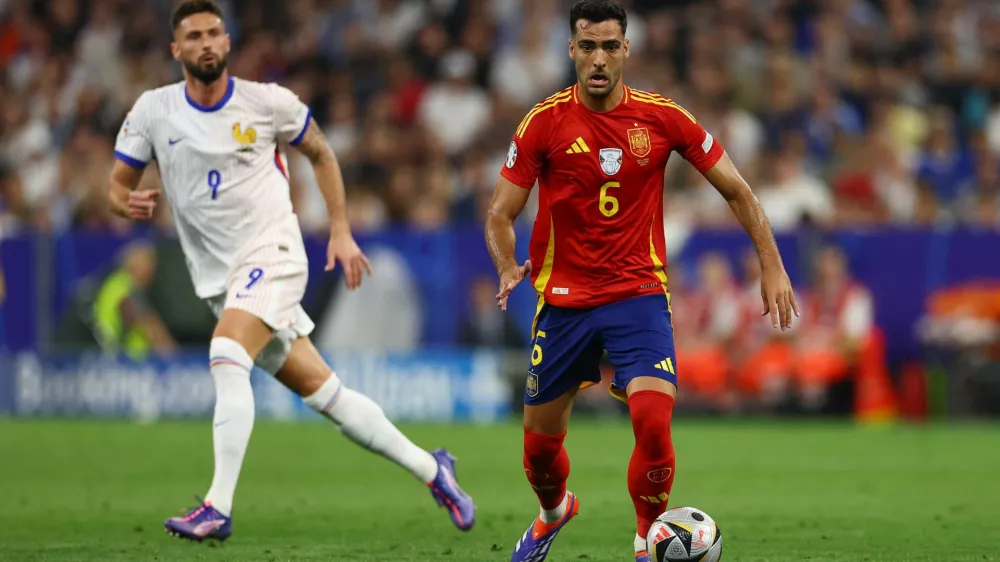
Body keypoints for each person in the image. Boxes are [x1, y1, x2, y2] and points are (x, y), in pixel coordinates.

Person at [108, 0, 474, 542]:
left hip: (273, 254)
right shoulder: (153, 111)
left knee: (226, 354)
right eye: (194, 36)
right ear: (176, 48)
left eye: (213, 33)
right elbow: (116, 186)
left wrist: (341, 229)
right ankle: (433, 468)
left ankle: (217, 507)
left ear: (227, 42)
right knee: (328, 396)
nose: (206, 43)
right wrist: (126, 203)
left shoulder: (267, 102)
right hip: (220, 279)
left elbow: (321, 153)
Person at [483, 2, 797, 560]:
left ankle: (646, 540)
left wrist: (771, 263)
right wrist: (508, 266)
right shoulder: (543, 123)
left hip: (638, 296)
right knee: (539, 454)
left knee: (653, 422)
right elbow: (499, 215)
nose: (599, 59)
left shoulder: (662, 118)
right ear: (572, 50)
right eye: (588, 46)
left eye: (610, 46)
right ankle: (553, 512)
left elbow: (738, 190)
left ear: (626, 49)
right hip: (565, 304)